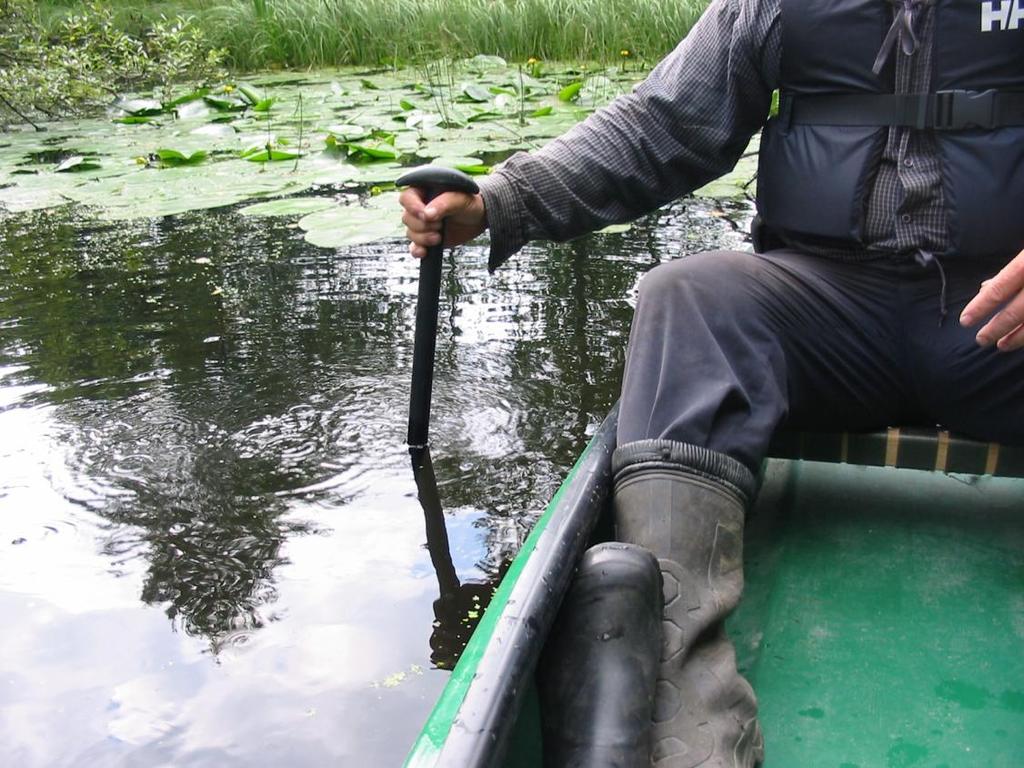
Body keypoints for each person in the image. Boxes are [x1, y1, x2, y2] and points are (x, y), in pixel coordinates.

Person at [400, 0, 1024, 763]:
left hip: (1001, 316)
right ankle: (685, 704)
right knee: (688, 295)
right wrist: (503, 200)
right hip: (827, 308)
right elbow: (659, 126)